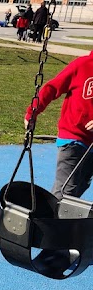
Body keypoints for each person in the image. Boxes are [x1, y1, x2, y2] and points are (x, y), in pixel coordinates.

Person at [24, 48, 93, 197]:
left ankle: (52, 215)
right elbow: (52, 88)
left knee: (80, 186)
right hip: (73, 137)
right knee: (66, 190)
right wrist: (33, 112)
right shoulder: (82, 66)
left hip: (91, 145)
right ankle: (52, 219)